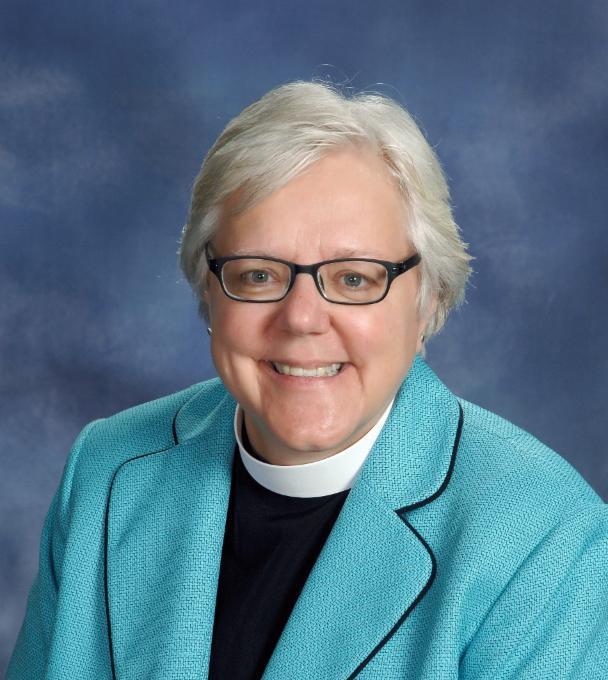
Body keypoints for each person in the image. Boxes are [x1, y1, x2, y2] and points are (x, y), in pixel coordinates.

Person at [8, 81, 607, 680]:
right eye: (259, 274)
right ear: (209, 291)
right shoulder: (106, 471)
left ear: (427, 300)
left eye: (354, 279)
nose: (301, 319)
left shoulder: (544, 538)